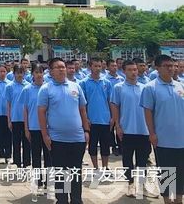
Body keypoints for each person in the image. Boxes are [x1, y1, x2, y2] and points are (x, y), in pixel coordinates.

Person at [38, 58, 89, 204]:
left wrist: (86, 130)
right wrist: (45, 135)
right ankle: (61, 200)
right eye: (58, 67)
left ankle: (76, 199)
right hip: (57, 139)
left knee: (75, 172)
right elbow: (41, 113)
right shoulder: (46, 89)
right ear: (51, 71)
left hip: (77, 138)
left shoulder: (75, 87)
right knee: (61, 172)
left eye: (63, 67)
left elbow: (82, 110)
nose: (61, 69)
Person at [140, 54, 184, 204]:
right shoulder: (150, 88)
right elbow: (148, 112)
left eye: (172, 66)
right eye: (166, 66)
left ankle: (179, 199)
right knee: (166, 171)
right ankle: (167, 200)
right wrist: (151, 133)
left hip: (181, 138)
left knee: (180, 171)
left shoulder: (180, 86)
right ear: (157, 68)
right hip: (163, 139)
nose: (171, 69)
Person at [110, 60, 156, 198]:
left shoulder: (145, 87)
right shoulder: (118, 88)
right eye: (130, 70)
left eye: (135, 69)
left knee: (142, 160)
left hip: (143, 130)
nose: (133, 72)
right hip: (127, 130)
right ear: (124, 71)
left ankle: (142, 186)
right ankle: (130, 184)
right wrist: (117, 125)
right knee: (128, 159)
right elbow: (115, 106)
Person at [22, 63, 52, 197]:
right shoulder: (27, 89)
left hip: (48, 128)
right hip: (34, 128)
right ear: (32, 74)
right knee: (36, 157)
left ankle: (48, 183)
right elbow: (26, 110)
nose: (39, 75)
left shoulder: (49, 88)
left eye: (41, 72)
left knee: (49, 156)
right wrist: (26, 128)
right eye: (36, 72)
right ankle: (38, 183)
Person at [79, 57, 112, 175]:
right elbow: (83, 103)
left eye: (100, 66)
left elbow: (110, 100)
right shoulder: (83, 83)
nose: (98, 68)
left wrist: (112, 117)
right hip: (91, 120)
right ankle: (96, 168)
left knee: (105, 146)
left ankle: (105, 167)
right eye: (95, 66)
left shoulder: (106, 82)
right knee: (92, 146)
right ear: (90, 67)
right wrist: (86, 118)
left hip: (105, 119)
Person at [6, 64, 30, 168]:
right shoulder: (9, 86)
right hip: (15, 117)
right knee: (16, 141)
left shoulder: (28, 86)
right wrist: (9, 119)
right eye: (17, 73)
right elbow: (9, 104)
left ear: (24, 74)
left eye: (21, 73)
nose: (19, 75)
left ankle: (26, 162)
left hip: (27, 119)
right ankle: (17, 162)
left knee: (27, 141)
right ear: (14, 74)